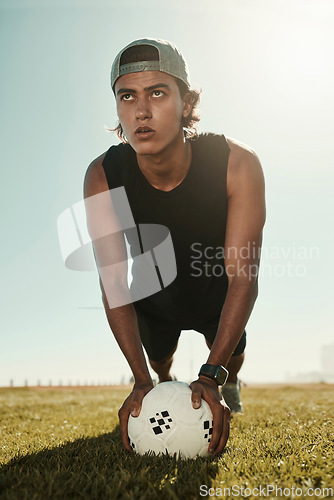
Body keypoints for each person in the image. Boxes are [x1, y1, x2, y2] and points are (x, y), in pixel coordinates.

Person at [84, 38, 266, 456]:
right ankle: (162, 385)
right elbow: (113, 280)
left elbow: (243, 276)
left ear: (186, 104)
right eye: (127, 96)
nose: (141, 111)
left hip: (215, 288)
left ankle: (232, 381)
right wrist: (141, 380)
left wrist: (212, 375)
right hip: (153, 293)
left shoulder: (236, 163)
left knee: (232, 354)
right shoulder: (103, 175)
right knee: (159, 365)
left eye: (158, 93)